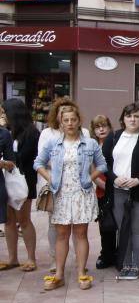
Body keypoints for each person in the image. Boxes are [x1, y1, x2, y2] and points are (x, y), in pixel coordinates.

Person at [34, 102, 106, 290]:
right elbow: (38, 163)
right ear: (61, 122)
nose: (70, 123)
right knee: (61, 235)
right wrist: (50, 178)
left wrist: (90, 178)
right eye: (66, 120)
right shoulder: (53, 143)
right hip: (61, 194)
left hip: (82, 193)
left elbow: (102, 165)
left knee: (81, 234)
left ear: (79, 121)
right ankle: (59, 274)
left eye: (73, 119)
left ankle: (82, 273)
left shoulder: (89, 143)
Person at [102, 103, 139, 280]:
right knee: (123, 228)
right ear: (123, 118)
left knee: (138, 229)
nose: (132, 119)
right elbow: (104, 163)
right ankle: (125, 264)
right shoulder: (113, 137)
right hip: (118, 190)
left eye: (136, 116)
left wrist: (138, 180)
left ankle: (136, 265)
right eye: (129, 116)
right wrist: (114, 178)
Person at [37, 99, 91, 272]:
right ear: (58, 117)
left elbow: (89, 160)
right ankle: (56, 260)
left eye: (71, 116)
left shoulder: (84, 133)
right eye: (62, 115)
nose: (68, 120)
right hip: (55, 186)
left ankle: (79, 262)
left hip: (78, 187)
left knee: (79, 227)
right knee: (57, 227)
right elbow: (40, 161)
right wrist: (51, 179)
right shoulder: (48, 134)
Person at [2, 99, 39, 272]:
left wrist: (7, 159)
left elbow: (25, 157)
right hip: (5, 180)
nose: (2, 116)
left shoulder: (31, 133)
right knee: (9, 221)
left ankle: (31, 258)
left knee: (23, 220)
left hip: (23, 181)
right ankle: (13, 259)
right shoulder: (5, 132)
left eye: (4, 113)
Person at [90, 115, 116, 269]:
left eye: (104, 125)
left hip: (117, 188)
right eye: (97, 127)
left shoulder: (115, 143)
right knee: (105, 225)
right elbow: (90, 169)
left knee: (118, 224)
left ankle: (117, 253)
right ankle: (106, 254)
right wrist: (98, 182)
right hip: (101, 190)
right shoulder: (92, 146)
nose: (101, 129)